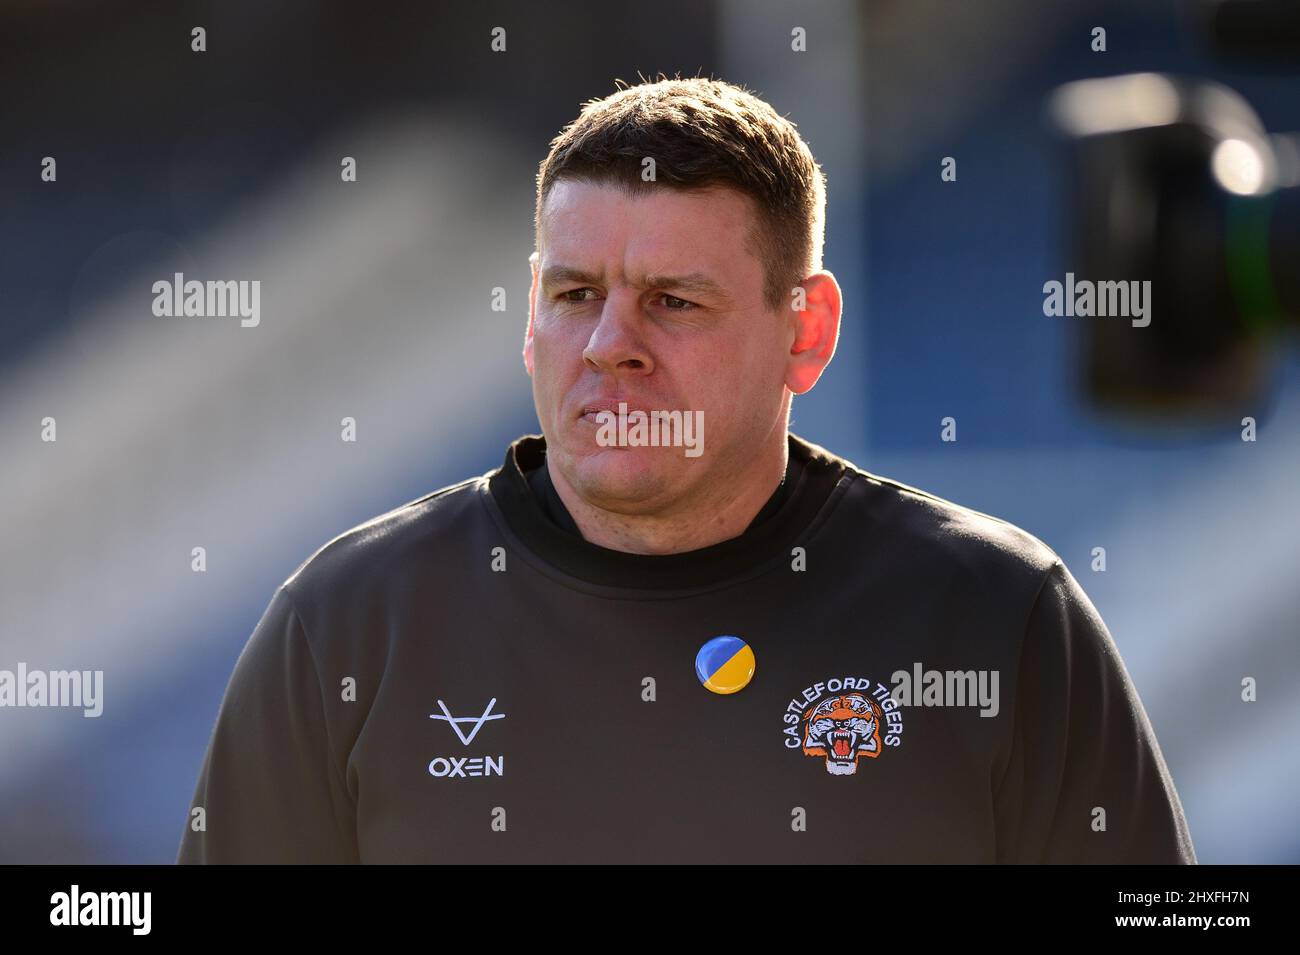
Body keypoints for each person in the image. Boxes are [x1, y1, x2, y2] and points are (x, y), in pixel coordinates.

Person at [178, 76, 1195, 864]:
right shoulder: (350, 621)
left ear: (807, 330)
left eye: (673, 301)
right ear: (531, 314)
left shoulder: (998, 616)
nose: (608, 345)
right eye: (575, 294)